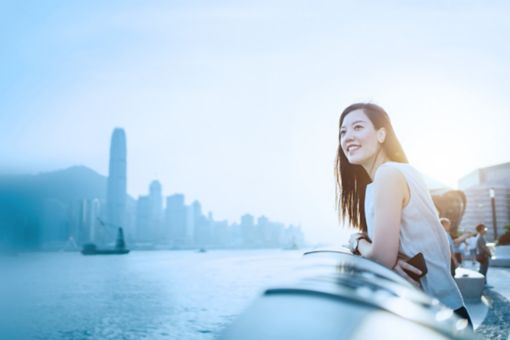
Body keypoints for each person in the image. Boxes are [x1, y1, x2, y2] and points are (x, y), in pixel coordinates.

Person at [336, 103, 471, 326]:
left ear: (382, 134)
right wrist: (392, 258)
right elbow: (393, 250)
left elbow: (381, 257)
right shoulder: (400, 172)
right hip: (445, 312)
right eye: (343, 132)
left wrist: (357, 240)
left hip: (435, 318)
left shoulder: (388, 175)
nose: (348, 137)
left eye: (357, 127)